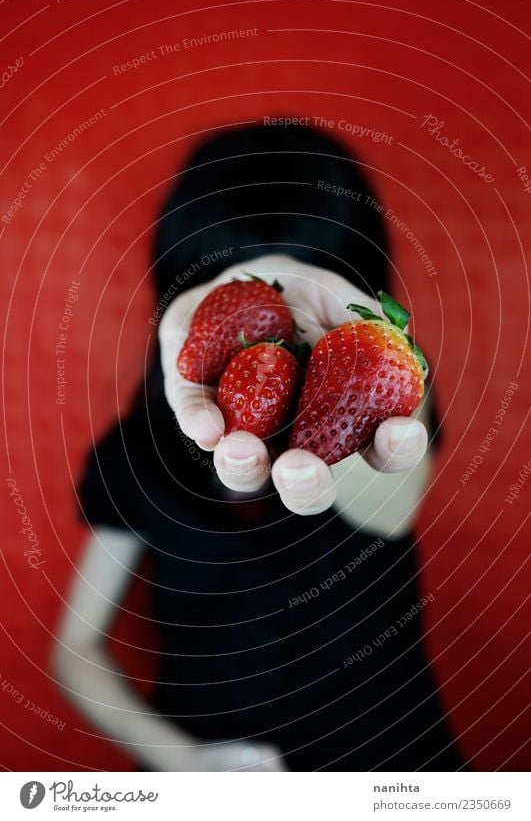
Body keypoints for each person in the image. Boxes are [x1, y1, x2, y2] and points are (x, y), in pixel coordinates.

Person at [52, 123, 466, 771]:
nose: (282, 321)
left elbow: (391, 506)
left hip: (389, 765)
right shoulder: (135, 453)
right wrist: (188, 765)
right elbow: (75, 647)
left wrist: (356, 365)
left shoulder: (383, 387)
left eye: (312, 275)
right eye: (226, 276)